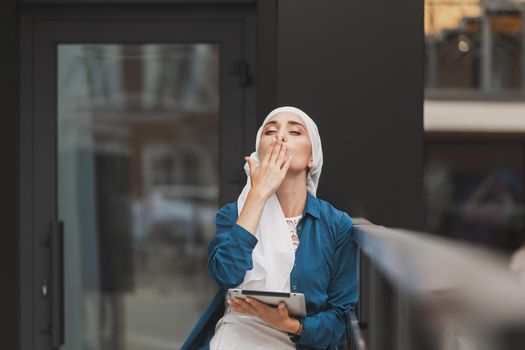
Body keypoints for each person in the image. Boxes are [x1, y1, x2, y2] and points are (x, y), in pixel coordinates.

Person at [181, 106, 359, 350]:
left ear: (312, 158)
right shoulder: (233, 213)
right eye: (270, 131)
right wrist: (258, 194)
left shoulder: (336, 225)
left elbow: (340, 320)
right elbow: (225, 274)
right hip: (236, 338)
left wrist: (291, 325)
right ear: (258, 153)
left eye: (295, 132)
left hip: (298, 341)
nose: (280, 137)